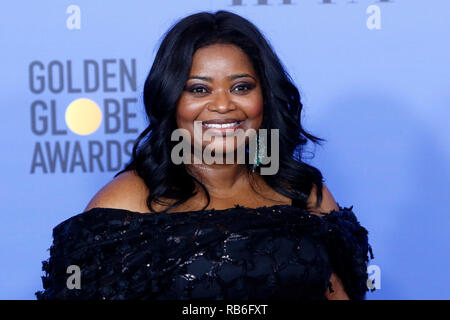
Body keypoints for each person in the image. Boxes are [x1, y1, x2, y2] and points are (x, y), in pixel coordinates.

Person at [36, 10, 374, 300]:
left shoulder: (302, 192)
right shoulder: (126, 203)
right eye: (199, 89)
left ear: (264, 98)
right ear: (171, 100)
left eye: (241, 87)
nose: (224, 104)